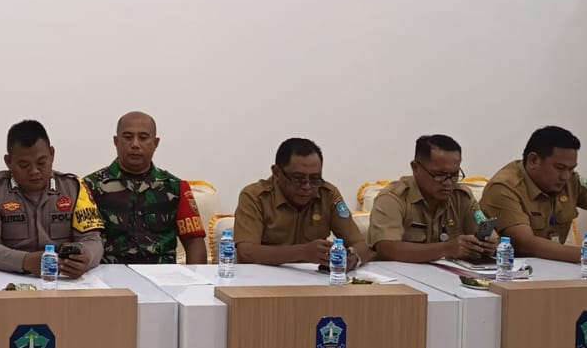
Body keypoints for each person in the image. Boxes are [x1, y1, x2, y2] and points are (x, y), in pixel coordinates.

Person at [0, 119, 104, 278]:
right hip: (9, 277)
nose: (34, 171)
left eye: (41, 162)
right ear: (8, 162)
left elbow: (93, 240)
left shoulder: (74, 188)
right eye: (24, 165)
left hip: (63, 278)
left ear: (52, 154)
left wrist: (85, 258)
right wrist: (25, 261)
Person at [84, 112, 208, 265]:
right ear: (116, 141)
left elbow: (194, 242)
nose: (135, 144)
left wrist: (193, 279)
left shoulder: (176, 188)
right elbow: (80, 240)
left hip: (161, 275)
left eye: (143, 138)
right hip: (108, 274)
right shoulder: (89, 187)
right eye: (128, 137)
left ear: (156, 143)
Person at [233, 137, 363, 267]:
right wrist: (302, 252)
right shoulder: (255, 196)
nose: (307, 187)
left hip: (313, 277)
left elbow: (361, 245)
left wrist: (353, 257)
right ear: (276, 173)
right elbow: (246, 253)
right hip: (264, 275)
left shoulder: (328, 195)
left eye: (315, 179)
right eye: (298, 179)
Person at [482, 126, 587, 263]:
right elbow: (525, 244)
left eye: (571, 169)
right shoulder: (503, 187)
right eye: (560, 168)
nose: (565, 176)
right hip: (515, 269)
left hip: (557, 267)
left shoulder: (571, 181)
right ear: (533, 160)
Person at [369, 134, 495, 263]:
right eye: (439, 175)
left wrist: (489, 245)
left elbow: (487, 232)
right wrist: (446, 249)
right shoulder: (393, 198)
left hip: (450, 272)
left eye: (454, 174)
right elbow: (387, 249)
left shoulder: (461, 197)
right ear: (415, 168)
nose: (448, 182)